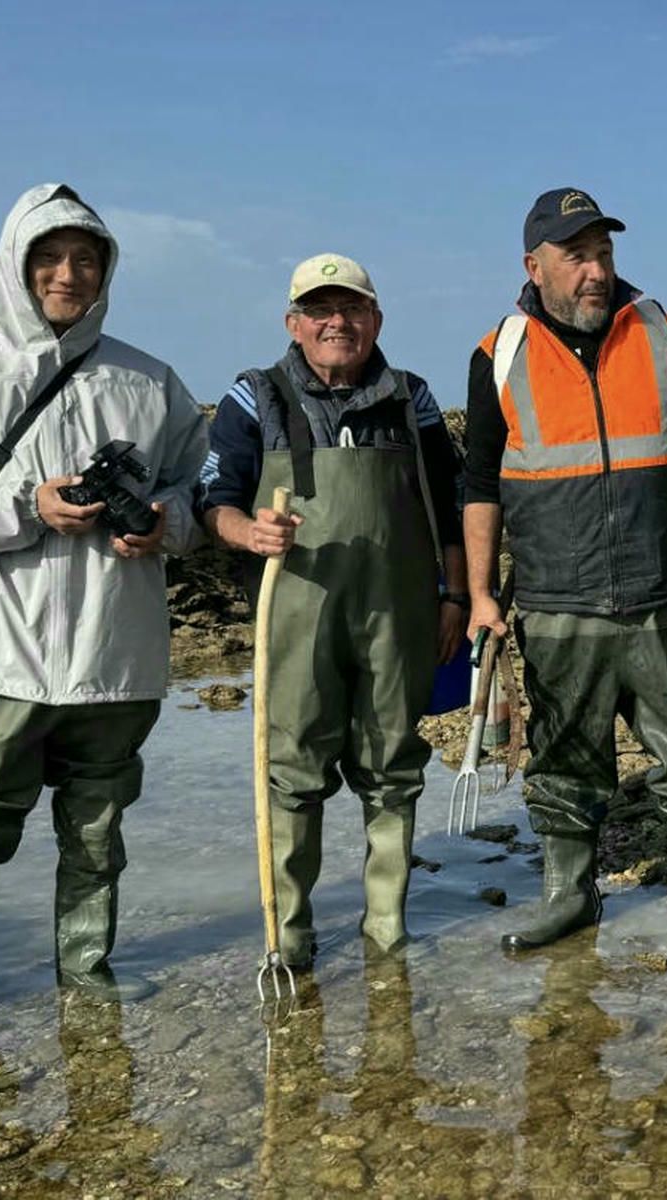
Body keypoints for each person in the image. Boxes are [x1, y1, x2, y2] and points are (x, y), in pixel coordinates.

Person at [0, 183, 208, 1036]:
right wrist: (29, 507)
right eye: (50, 258)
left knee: (98, 827)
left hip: (113, 648)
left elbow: (198, 490)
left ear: (107, 272)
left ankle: (87, 969)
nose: (69, 274)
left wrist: (166, 525)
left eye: (86, 259)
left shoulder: (150, 380)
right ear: (18, 267)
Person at [463, 187, 667, 964]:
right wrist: (478, 593)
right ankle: (569, 894)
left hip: (662, 595)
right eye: (577, 256)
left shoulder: (657, 330)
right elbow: (478, 484)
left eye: (604, 253)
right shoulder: (497, 354)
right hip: (556, 602)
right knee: (566, 762)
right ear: (534, 265)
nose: (596, 271)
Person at [199, 253, 465, 968]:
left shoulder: (412, 399)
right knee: (292, 765)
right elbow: (212, 501)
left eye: (351, 308)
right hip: (296, 613)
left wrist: (457, 597)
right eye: (319, 310)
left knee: (392, 762)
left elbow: (450, 510)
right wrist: (247, 531)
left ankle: (386, 927)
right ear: (294, 323)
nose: (336, 322)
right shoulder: (256, 397)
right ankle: (288, 936)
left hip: (397, 612)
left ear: (376, 320)